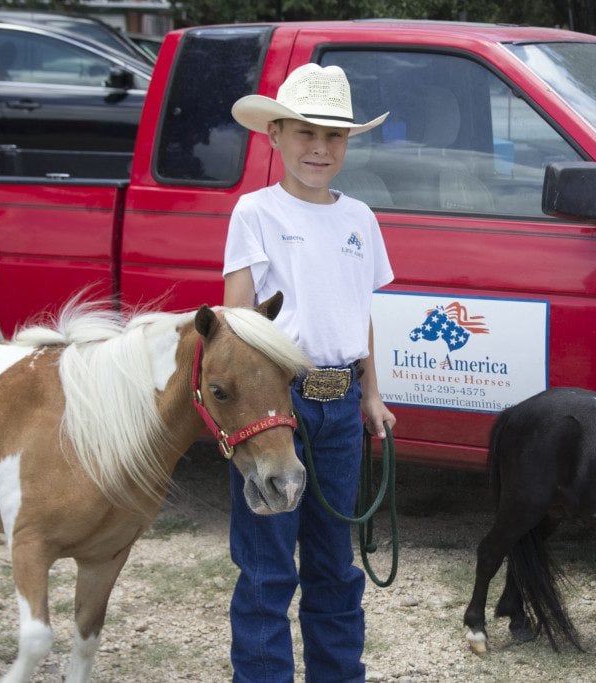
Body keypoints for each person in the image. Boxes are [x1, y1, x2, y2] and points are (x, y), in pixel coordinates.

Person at [223, 62, 396, 682]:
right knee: (268, 568)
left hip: (342, 409)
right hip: (277, 410)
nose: (319, 148)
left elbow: (360, 311)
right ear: (274, 135)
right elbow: (236, 322)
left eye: (334, 136)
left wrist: (371, 393)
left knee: (334, 566)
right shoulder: (256, 212)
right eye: (304, 133)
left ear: (347, 143)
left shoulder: (360, 219)